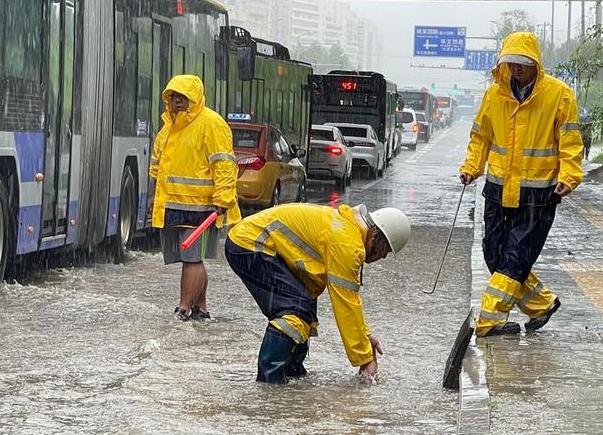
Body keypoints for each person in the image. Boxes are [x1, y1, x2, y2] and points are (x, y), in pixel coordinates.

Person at [459, 31, 584, 337]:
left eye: (521, 63)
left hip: (538, 195)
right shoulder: (494, 95)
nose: (515, 68)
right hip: (498, 191)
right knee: (495, 254)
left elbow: (569, 141)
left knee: (515, 258)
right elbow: (481, 137)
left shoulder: (559, 95)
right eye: (510, 62)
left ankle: (489, 320)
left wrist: (569, 177)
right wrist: (471, 168)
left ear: (535, 64)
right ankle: (540, 304)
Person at [225, 203, 411, 384]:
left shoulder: (349, 231)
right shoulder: (347, 244)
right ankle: (270, 384)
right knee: (294, 310)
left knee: (304, 307)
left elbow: (351, 301)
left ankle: (292, 375)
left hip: (254, 242)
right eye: (385, 250)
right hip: (249, 244)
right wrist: (365, 359)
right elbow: (345, 304)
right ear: (375, 236)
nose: (383, 257)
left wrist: (365, 335)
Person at [149, 75, 241, 321]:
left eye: (183, 97)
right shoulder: (168, 126)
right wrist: (153, 198)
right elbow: (157, 168)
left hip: (203, 208)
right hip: (173, 206)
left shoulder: (212, 123)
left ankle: (184, 308)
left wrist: (222, 201)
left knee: (192, 260)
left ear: (195, 98)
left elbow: (224, 164)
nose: (178, 102)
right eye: (173, 97)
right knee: (190, 259)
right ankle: (201, 307)